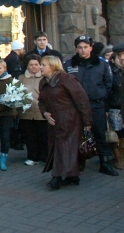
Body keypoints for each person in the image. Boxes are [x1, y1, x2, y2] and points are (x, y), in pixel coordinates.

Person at [65, 36, 118, 177]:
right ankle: (78, 163)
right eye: (80, 47)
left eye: (85, 47)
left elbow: (108, 83)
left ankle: (104, 163)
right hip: (76, 106)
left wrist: (100, 96)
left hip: (96, 104)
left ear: (91, 47)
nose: (83, 50)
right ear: (76, 49)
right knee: (76, 134)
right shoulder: (69, 64)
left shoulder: (102, 63)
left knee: (100, 134)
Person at [39, 56, 93, 190]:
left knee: (64, 148)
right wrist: (44, 113)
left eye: (43, 65)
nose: (40, 67)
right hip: (54, 121)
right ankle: (72, 176)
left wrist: (87, 121)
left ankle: (56, 177)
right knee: (59, 147)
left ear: (53, 66)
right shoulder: (43, 82)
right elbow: (41, 101)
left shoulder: (67, 79)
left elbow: (82, 100)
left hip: (70, 120)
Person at [18, 55, 49, 166]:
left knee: (43, 136)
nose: (34, 67)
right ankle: (32, 157)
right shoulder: (21, 78)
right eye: (31, 65)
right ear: (27, 66)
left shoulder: (44, 77)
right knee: (30, 136)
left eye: (36, 64)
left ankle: (45, 157)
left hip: (41, 112)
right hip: (26, 112)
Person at [107, 43, 124, 170]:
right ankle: (119, 159)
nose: (122, 58)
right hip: (116, 107)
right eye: (119, 55)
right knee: (118, 135)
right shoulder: (112, 71)